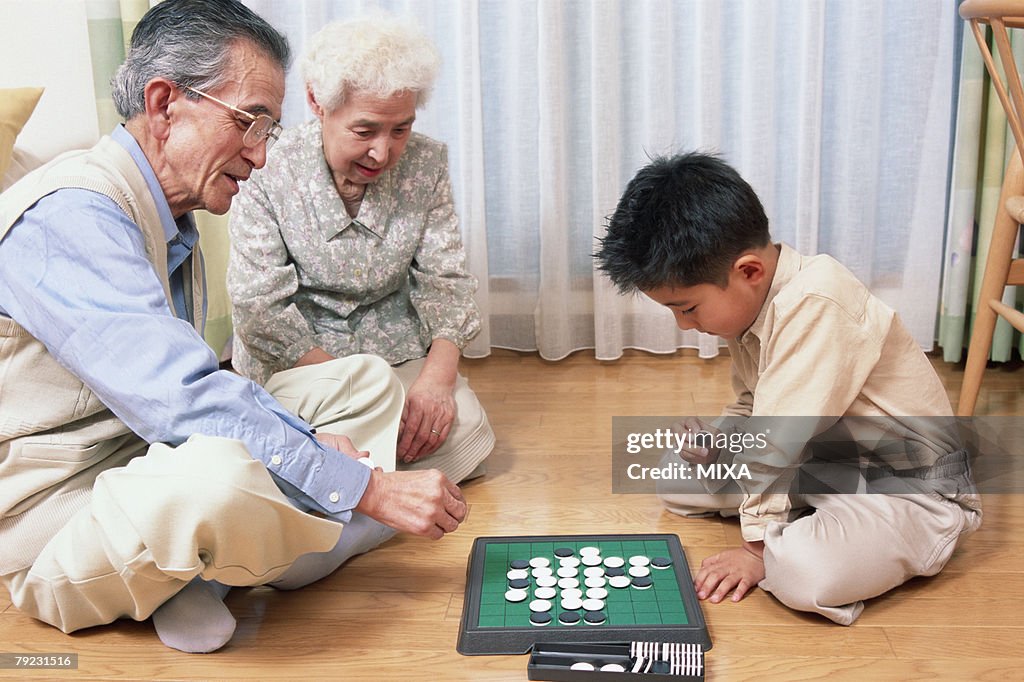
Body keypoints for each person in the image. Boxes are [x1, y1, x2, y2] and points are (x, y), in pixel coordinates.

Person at [0, 0, 466, 655]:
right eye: (251, 123)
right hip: (63, 516)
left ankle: (206, 571)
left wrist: (305, 444)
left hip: (144, 455)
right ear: (165, 105)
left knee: (360, 383)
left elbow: (190, 391)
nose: (261, 155)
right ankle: (282, 546)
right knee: (222, 468)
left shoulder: (170, 218)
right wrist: (367, 486)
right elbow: (183, 400)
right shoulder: (71, 218)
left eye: (270, 131)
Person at [594, 152, 982, 625]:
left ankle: (809, 537)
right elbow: (755, 403)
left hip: (906, 489)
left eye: (689, 308)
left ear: (749, 271)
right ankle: (797, 524)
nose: (683, 325)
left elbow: (779, 437)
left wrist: (755, 549)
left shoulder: (817, 301)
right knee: (676, 477)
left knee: (802, 574)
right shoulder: (755, 305)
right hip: (824, 460)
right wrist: (720, 439)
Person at [227, 16, 494, 483]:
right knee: (303, 434)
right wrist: (365, 395)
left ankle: (340, 476)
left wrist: (435, 382)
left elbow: (445, 282)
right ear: (316, 103)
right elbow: (259, 307)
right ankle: (355, 474)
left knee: (462, 425)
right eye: (364, 130)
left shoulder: (426, 163)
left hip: (394, 352)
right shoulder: (268, 168)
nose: (382, 153)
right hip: (302, 363)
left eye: (400, 130)